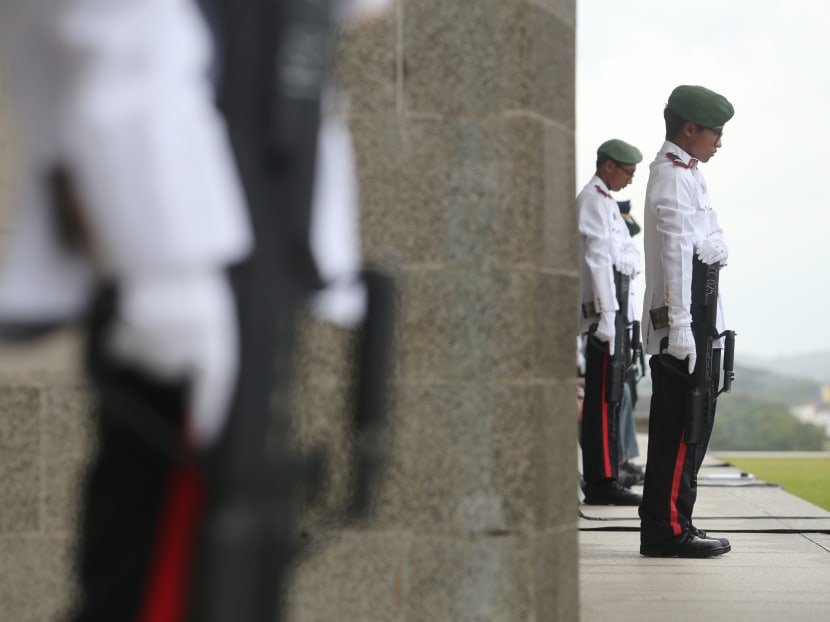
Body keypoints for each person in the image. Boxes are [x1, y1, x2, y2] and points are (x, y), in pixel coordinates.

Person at [638, 84, 734, 558]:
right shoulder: (673, 176)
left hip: (697, 313)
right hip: (684, 318)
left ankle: (677, 521)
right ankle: (667, 529)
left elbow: (704, 240)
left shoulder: (689, 173)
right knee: (681, 427)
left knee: (691, 424)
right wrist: (679, 324)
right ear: (689, 128)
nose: (719, 141)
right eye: (715, 131)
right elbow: (675, 254)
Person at [577, 139, 643, 506]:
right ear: (608, 167)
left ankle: (608, 474)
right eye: (628, 172)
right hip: (604, 315)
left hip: (616, 312)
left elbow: (628, 255)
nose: (630, 180)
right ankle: (601, 482)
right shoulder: (592, 200)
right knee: (602, 399)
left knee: (612, 396)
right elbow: (598, 261)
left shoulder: (607, 203)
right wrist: (605, 315)